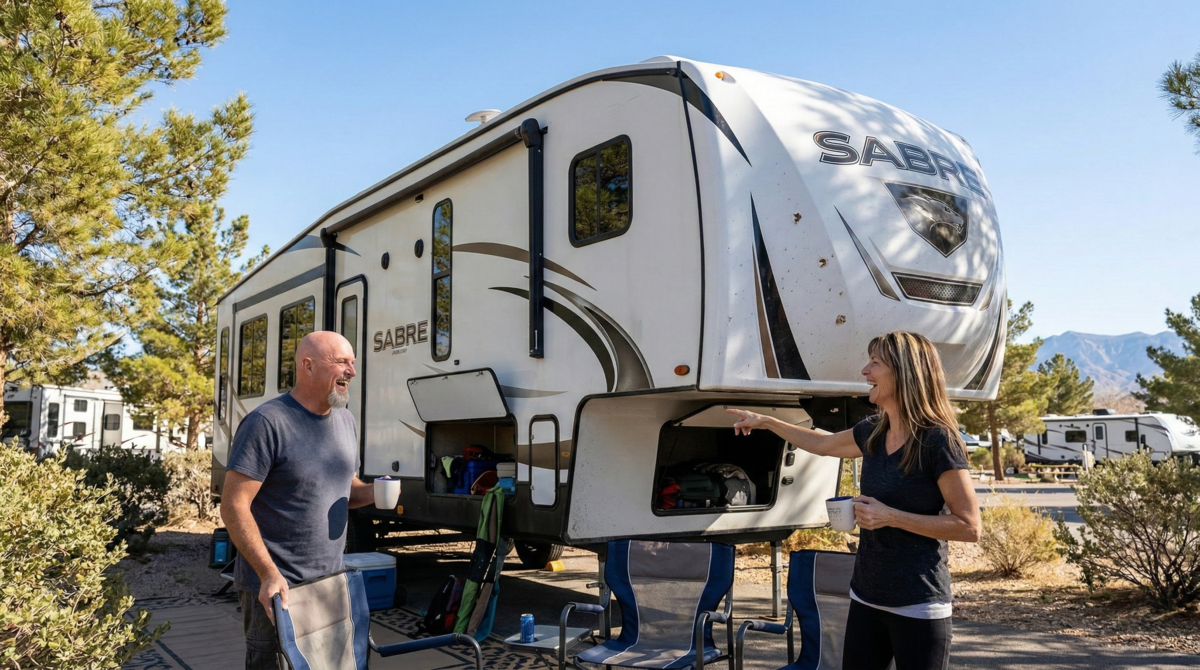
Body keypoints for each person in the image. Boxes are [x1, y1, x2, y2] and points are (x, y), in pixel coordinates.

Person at [727, 331, 980, 670]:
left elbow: (969, 526)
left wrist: (892, 516)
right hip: (866, 597)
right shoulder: (874, 431)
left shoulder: (938, 441)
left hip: (918, 605)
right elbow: (821, 444)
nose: (864, 370)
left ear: (904, 372)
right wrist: (768, 422)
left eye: (875, 363)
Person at [221, 331, 378, 669]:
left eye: (353, 363)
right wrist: (267, 573)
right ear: (307, 365)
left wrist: (377, 492)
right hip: (278, 588)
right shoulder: (267, 423)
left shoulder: (345, 421)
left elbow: (345, 489)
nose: (351, 371)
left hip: (331, 583)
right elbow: (234, 505)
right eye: (341, 362)